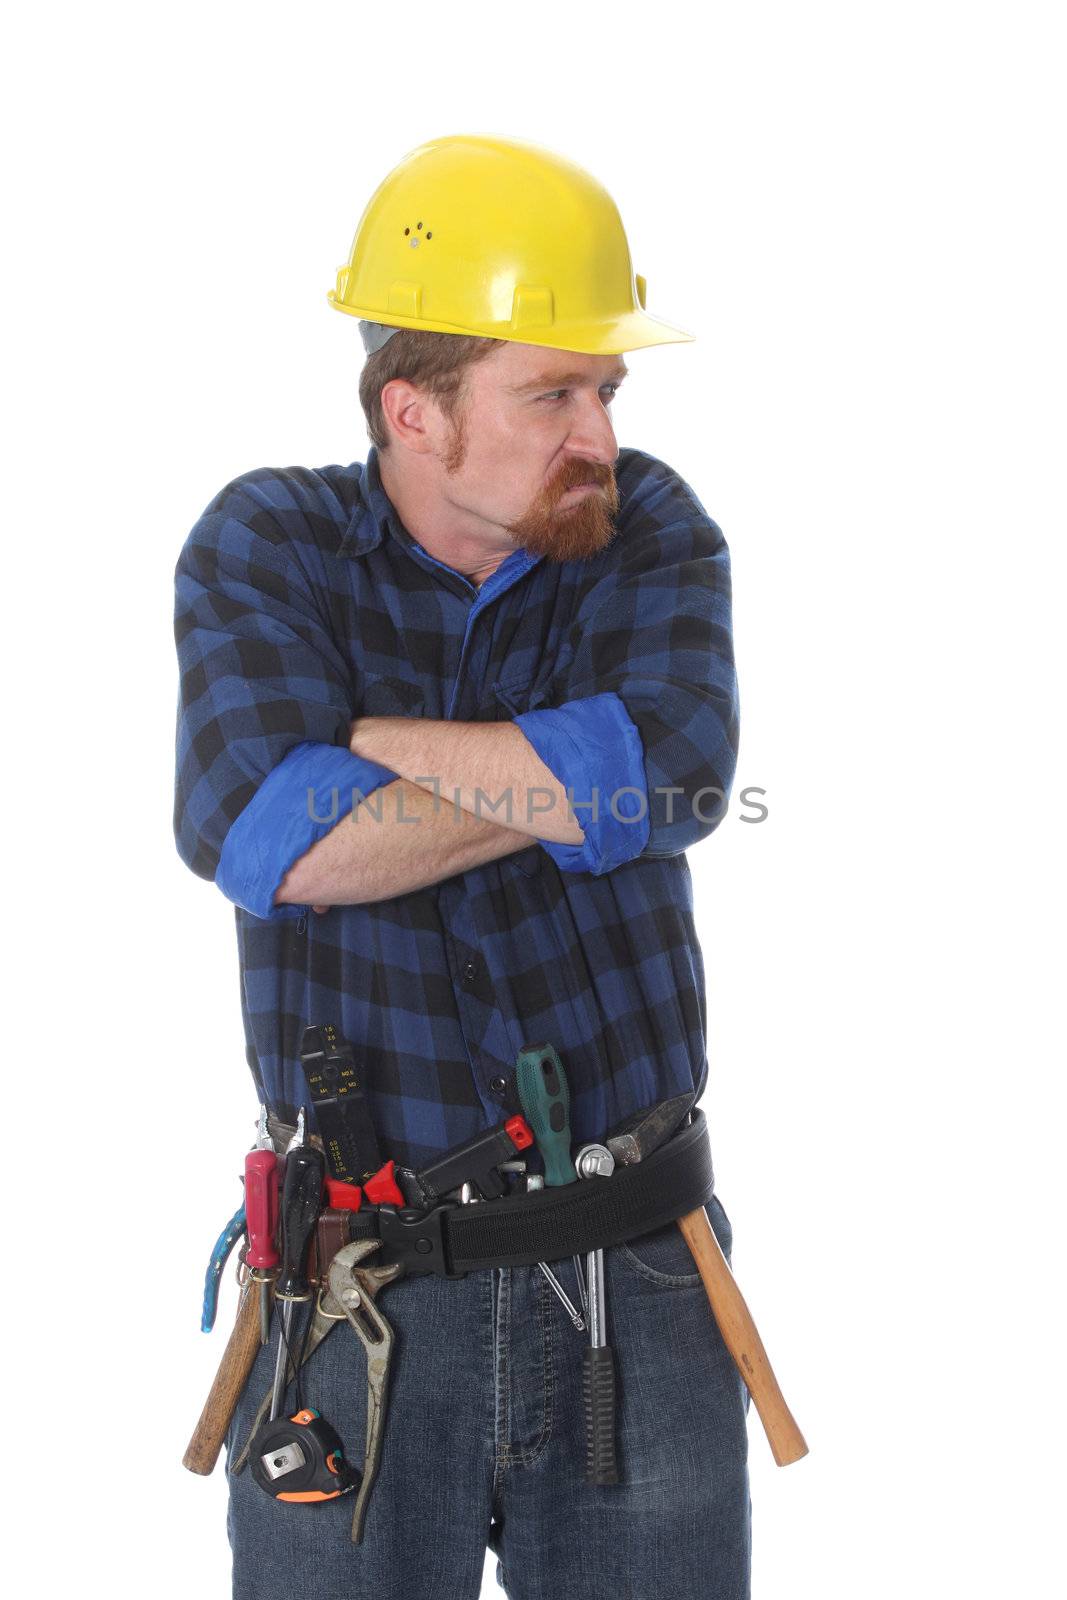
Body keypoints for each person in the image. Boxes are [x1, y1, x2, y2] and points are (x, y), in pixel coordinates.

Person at [173, 133, 750, 1600]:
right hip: (356, 1297)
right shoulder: (270, 546)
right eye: (552, 392)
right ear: (412, 410)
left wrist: (365, 744)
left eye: (606, 391)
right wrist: (570, 771)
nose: (600, 437)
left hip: (642, 1273)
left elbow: (674, 767)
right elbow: (266, 837)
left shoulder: (646, 532)